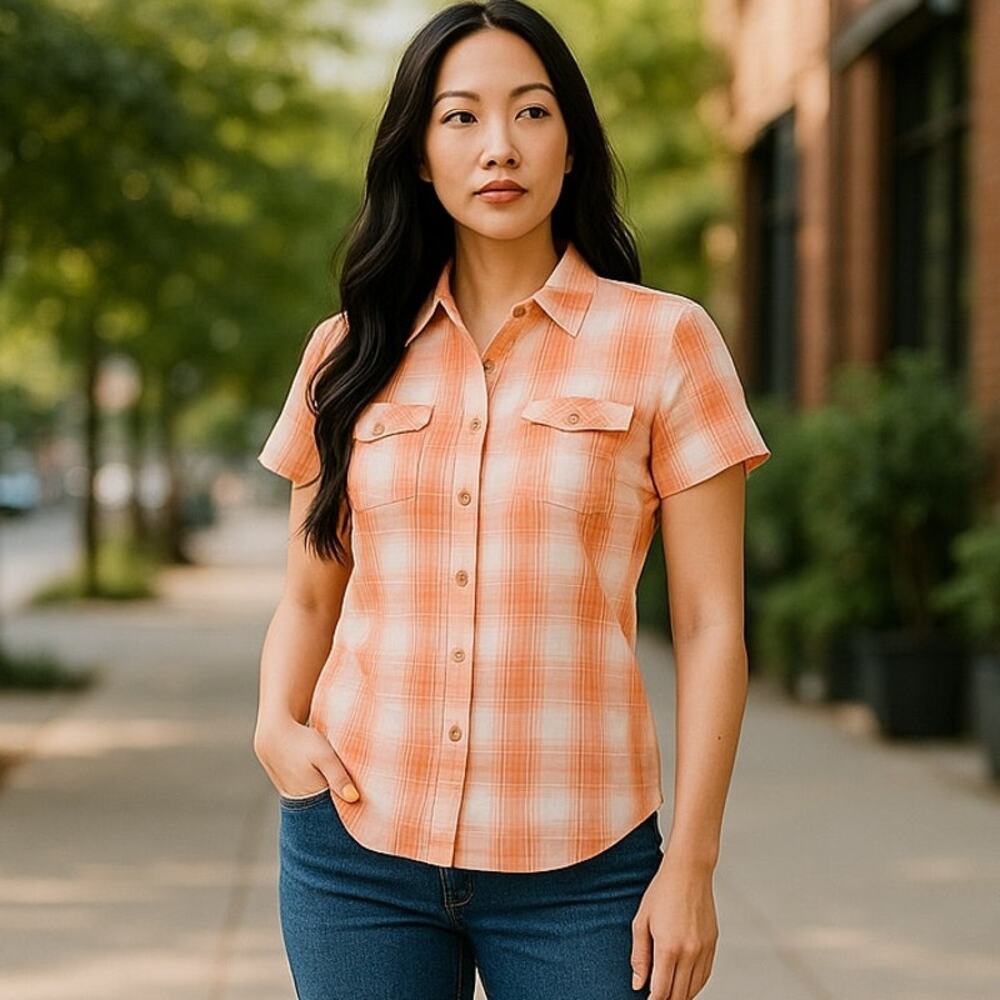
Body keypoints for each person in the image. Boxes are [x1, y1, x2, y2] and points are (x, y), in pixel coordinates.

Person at [252, 2, 771, 998]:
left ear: (571, 145)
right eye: (460, 118)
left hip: (582, 863)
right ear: (416, 154)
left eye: (531, 113)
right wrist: (276, 722)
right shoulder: (345, 351)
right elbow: (312, 595)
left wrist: (692, 864)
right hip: (355, 847)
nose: (500, 147)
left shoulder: (666, 340)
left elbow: (711, 624)